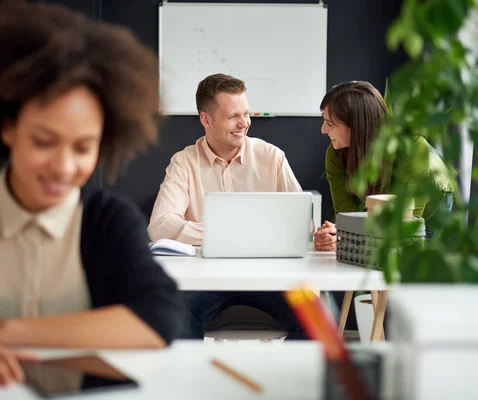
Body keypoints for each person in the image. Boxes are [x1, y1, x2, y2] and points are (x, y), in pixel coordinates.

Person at [0, 0, 180, 388]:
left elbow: (157, 319)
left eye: (83, 147)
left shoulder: (109, 219)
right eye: (44, 141)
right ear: (8, 128)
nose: (63, 167)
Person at [148, 73, 305, 340]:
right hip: (205, 279)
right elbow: (160, 227)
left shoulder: (272, 157)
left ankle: (282, 381)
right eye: (233, 116)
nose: (244, 123)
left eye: (246, 114)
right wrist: (226, 237)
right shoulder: (184, 162)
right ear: (206, 120)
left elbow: (304, 222)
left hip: (269, 277)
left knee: (320, 317)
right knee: (175, 322)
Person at [314, 81, 454, 251]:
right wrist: (335, 235)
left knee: (412, 259)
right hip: (383, 196)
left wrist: (347, 236)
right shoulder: (336, 153)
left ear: (356, 126)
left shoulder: (413, 147)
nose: (323, 130)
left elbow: (405, 224)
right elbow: (346, 215)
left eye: (329, 124)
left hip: (432, 199)